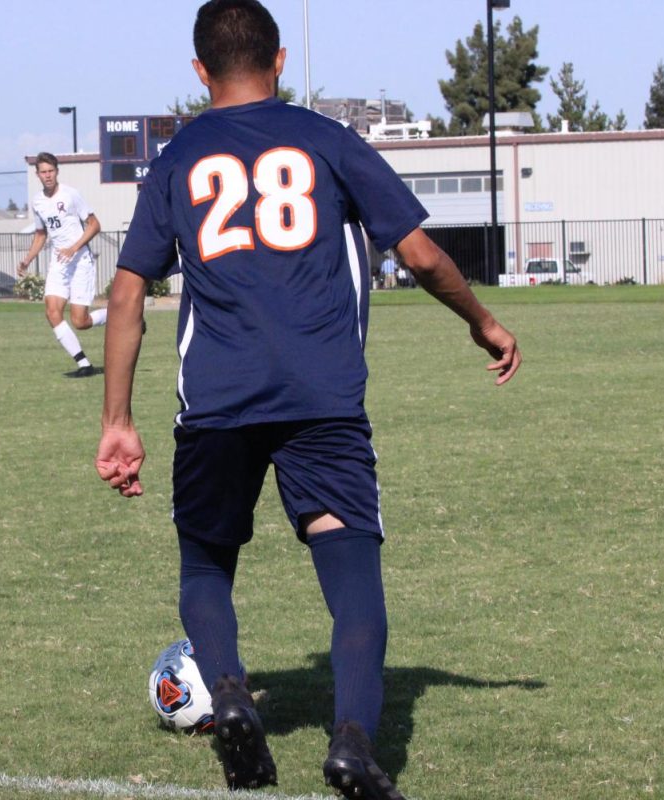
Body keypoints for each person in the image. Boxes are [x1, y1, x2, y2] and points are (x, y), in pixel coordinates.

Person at [95, 1, 520, 796]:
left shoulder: (178, 157)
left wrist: (117, 420)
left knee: (206, 563)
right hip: (323, 399)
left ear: (198, 71)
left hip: (217, 403)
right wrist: (483, 322)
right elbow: (423, 255)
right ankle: (354, 744)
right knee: (351, 569)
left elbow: (125, 296)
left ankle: (226, 692)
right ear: (280, 61)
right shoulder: (328, 140)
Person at [18, 152, 106, 377]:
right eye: (43, 172)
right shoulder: (37, 202)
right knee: (52, 311)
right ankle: (84, 364)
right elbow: (40, 234)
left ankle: (122, 314)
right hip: (59, 263)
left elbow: (94, 225)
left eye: (50, 171)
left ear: (57, 172)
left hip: (80, 261)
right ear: (37, 175)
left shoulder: (71, 195)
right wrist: (28, 260)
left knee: (80, 321)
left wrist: (74, 247)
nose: (47, 175)